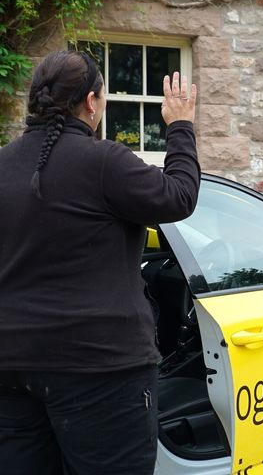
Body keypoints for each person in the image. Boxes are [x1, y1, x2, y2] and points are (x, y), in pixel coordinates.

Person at [0, 50, 201, 474]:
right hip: (100, 368)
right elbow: (180, 196)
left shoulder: (2, 165)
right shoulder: (104, 161)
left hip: (12, 364)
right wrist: (180, 126)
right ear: (91, 102)